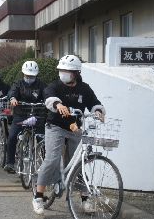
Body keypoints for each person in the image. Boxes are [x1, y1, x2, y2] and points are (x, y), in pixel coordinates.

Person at [32, 55, 106, 216]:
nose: (62, 73)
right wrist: (58, 105)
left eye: (66, 71)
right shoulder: (55, 86)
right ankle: (38, 197)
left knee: (78, 164)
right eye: (61, 70)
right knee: (52, 158)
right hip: (55, 126)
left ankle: (85, 200)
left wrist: (98, 110)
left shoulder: (84, 88)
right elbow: (49, 96)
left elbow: (94, 102)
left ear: (75, 73)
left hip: (75, 129)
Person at [3, 61, 47, 174]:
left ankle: (46, 165)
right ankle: (10, 162)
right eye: (27, 76)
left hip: (38, 115)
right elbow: (12, 92)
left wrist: (49, 100)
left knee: (43, 140)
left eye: (32, 76)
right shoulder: (18, 83)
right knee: (12, 136)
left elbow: (47, 93)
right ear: (23, 74)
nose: (29, 78)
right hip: (21, 114)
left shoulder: (41, 84)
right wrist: (12, 98)